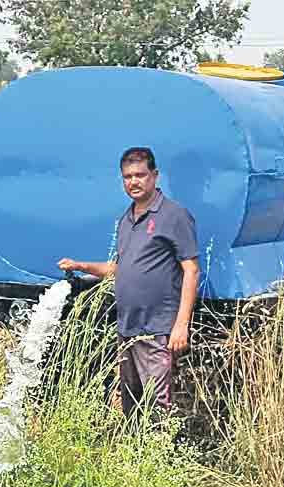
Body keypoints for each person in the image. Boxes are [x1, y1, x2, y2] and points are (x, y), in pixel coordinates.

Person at [59, 146, 200, 420]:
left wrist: (181, 325)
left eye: (140, 175)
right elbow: (120, 269)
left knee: (158, 407)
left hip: (157, 329)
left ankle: (159, 458)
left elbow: (191, 270)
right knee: (131, 406)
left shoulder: (173, 216)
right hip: (127, 328)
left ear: (155, 176)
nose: (133, 182)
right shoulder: (127, 220)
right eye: (127, 177)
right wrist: (82, 266)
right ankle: (134, 459)